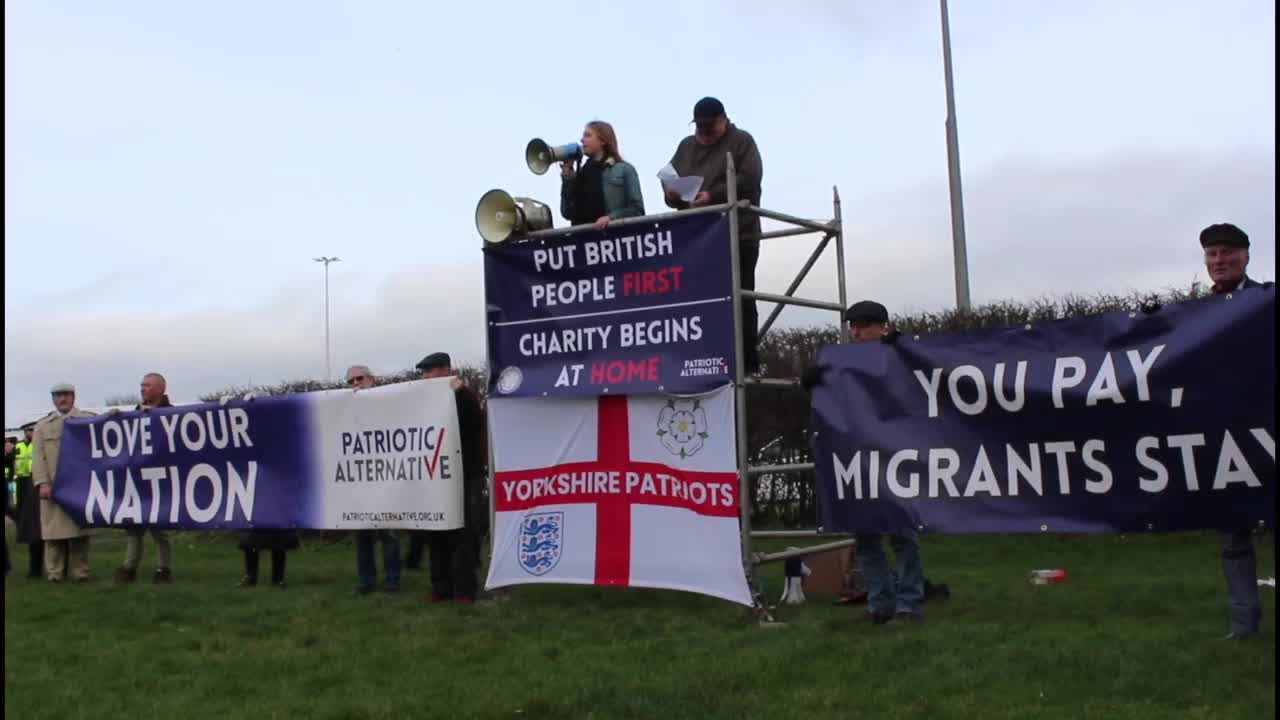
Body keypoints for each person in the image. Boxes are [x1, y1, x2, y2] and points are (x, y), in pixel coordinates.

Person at [806, 301, 926, 624]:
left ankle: (909, 604)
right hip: (857, 458)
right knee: (866, 534)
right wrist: (814, 381)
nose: (856, 333)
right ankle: (880, 603)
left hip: (894, 455)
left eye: (864, 326)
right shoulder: (842, 363)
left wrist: (897, 345)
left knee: (902, 533)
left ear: (882, 327)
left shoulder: (899, 351)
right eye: (853, 327)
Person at [1200, 222, 1271, 639]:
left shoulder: (1265, 301)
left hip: (1266, 433)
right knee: (1233, 538)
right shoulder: (1192, 316)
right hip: (1225, 440)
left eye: (1227, 252)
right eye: (1212, 255)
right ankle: (1244, 626)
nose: (1219, 261)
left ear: (1246, 256)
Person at [664, 96, 764, 375]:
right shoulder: (686, 146)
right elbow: (670, 177)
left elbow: (750, 179)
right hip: (697, 237)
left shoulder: (742, 141)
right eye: (701, 128)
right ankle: (701, 358)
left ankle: (747, 363)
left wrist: (715, 195)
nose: (705, 134)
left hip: (737, 232)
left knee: (740, 294)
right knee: (698, 298)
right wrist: (671, 194)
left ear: (724, 119)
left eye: (711, 127)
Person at [412, 352, 488, 604]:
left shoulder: (463, 396)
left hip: (465, 475)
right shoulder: (425, 400)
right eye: (423, 373)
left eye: (429, 371)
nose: (424, 377)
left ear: (445, 370)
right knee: (437, 533)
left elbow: (475, 421)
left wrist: (461, 392)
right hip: (436, 476)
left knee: (465, 535)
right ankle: (441, 587)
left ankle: (465, 590)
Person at [30, 383, 96, 582]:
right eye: (58, 395)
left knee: (79, 533)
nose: (63, 399)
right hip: (53, 486)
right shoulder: (42, 426)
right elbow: (38, 457)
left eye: (66, 395)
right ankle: (55, 573)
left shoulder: (87, 420)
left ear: (73, 397)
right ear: (53, 399)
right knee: (53, 533)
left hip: (80, 486)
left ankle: (80, 573)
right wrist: (42, 483)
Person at [115, 372, 176, 584]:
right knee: (133, 527)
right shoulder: (135, 414)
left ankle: (163, 569)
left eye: (147, 385)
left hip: (161, 479)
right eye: (141, 385)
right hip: (138, 479)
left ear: (161, 389)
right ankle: (128, 568)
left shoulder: (173, 415)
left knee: (160, 529)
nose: (142, 389)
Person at [346, 365, 402, 594]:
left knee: (389, 533)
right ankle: (366, 581)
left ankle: (392, 581)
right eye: (351, 381)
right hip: (359, 479)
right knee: (362, 534)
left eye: (360, 378)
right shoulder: (345, 408)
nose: (355, 383)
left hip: (386, 477)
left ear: (372, 379)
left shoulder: (387, 402)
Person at [559, 120, 645, 229]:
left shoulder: (624, 170)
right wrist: (568, 178)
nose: (582, 140)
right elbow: (567, 213)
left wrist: (611, 218)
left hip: (614, 238)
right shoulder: (580, 175)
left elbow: (637, 209)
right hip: (583, 241)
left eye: (588, 135)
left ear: (603, 141)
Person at [13, 423, 44, 578]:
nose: (30, 433)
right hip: (23, 483)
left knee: (37, 527)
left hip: (38, 484)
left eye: (32, 430)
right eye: (28, 431)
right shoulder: (18, 445)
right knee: (29, 523)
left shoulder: (41, 445)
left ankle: (38, 568)